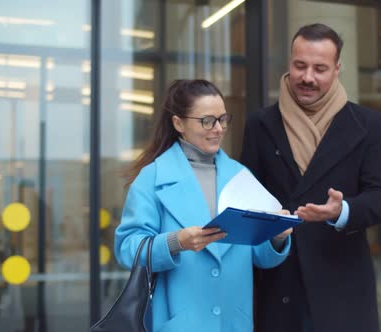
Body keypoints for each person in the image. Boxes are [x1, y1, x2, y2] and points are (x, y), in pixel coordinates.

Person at [241, 23, 381, 332]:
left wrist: (342, 211)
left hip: (343, 286)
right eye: (300, 66)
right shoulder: (259, 124)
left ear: (338, 69)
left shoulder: (367, 124)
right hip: (277, 284)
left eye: (320, 69)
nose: (307, 77)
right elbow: (247, 201)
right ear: (289, 63)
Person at [115, 79, 292, 332]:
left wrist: (275, 237)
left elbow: (261, 257)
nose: (218, 128)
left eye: (223, 119)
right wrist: (176, 242)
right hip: (180, 323)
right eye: (207, 121)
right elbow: (127, 249)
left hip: (234, 323)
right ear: (179, 124)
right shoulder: (152, 178)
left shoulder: (240, 176)